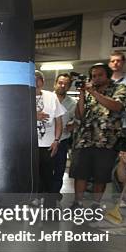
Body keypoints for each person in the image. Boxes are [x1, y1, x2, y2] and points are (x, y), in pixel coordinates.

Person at [70, 63, 126, 208]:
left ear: (108, 75)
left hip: (106, 140)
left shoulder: (119, 88)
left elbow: (117, 106)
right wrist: (83, 95)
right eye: (93, 76)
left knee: (100, 176)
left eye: (100, 75)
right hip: (84, 139)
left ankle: (96, 204)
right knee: (80, 173)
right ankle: (77, 203)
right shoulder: (89, 91)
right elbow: (80, 115)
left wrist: (94, 92)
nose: (96, 78)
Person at [34, 70, 65, 208]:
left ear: (43, 81)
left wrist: (57, 140)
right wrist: (33, 116)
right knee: (34, 175)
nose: (35, 81)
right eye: (32, 79)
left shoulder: (52, 97)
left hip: (48, 144)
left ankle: (49, 204)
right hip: (29, 145)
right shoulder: (20, 97)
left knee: (49, 176)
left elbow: (59, 121)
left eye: (38, 79)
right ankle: (34, 199)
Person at [51, 73, 76, 201]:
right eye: (60, 82)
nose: (62, 85)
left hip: (62, 141)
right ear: (55, 83)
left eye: (66, 84)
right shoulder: (46, 98)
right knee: (43, 169)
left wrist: (73, 125)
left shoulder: (72, 103)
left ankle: (54, 194)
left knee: (59, 169)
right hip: (45, 141)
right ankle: (41, 194)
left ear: (69, 86)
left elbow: (79, 119)